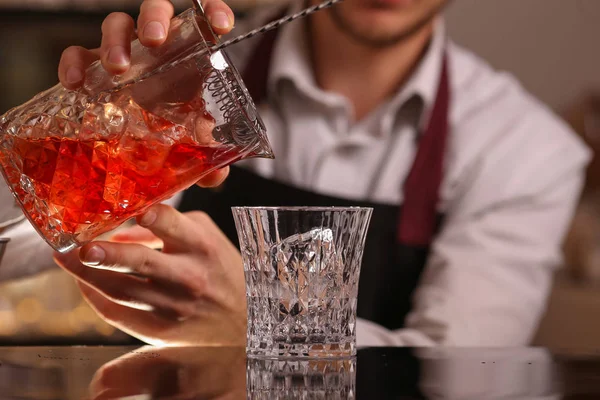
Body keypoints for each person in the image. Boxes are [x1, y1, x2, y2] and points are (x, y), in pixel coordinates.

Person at [0, 0, 590, 346]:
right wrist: (53, 148)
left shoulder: (527, 149)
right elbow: (14, 253)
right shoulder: (181, 77)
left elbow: (456, 370)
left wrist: (256, 325)